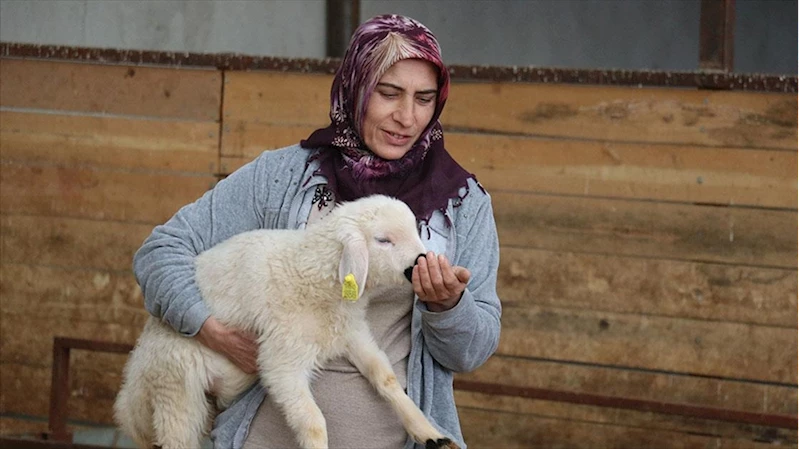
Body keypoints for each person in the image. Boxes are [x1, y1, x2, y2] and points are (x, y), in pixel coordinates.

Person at [132, 14, 501, 449]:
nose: (407, 116)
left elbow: (472, 351)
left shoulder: (461, 204)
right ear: (356, 86)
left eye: (424, 99)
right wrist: (210, 330)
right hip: (263, 438)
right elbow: (161, 250)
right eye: (389, 93)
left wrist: (449, 307)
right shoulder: (283, 175)